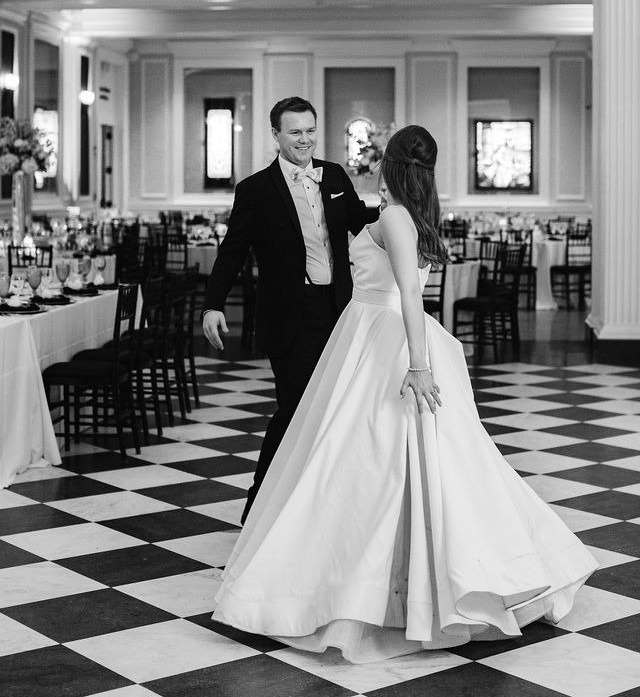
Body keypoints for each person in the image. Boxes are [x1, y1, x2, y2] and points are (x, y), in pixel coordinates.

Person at [212, 124, 597, 664]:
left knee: (368, 461)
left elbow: (411, 292)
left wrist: (418, 366)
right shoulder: (401, 214)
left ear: (390, 165)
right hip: (369, 333)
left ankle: (371, 584)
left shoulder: (393, 217)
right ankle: (391, 577)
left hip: (383, 339)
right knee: (374, 459)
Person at [202, 96, 366, 523]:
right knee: (295, 409)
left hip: (338, 312)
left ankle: (319, 510)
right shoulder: (255, 189)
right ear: (275, 134)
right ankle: (260, 506)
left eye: (310, 130)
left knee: (333, 410)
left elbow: (361, 225)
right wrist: (213, 305)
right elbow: (232, 251)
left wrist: (406, 220)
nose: (305, 139)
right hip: (289, 318)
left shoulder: (333, 176)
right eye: (295, 132)